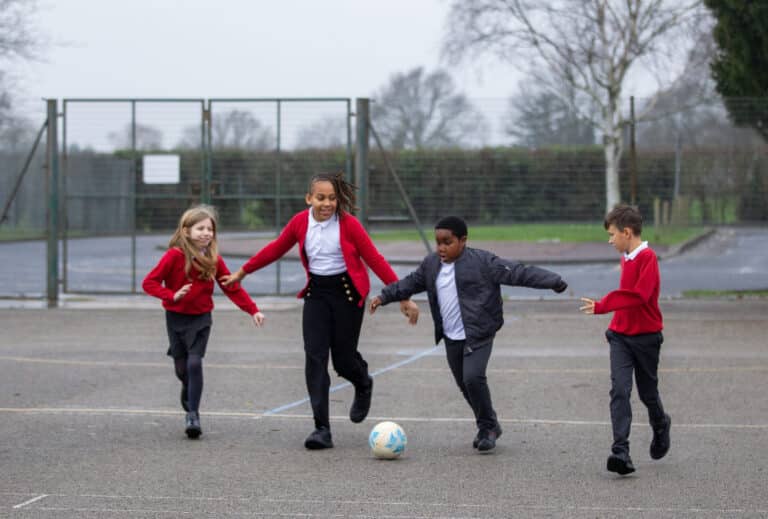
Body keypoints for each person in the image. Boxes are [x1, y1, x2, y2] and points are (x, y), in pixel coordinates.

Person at [221, 172, 418, 450]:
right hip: (317, 294)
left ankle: (363, 382)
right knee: (315, 358)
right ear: (309, 198)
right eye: (321, 198)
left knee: (343, 361)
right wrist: (242, 272)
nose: (327, 203)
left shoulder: (349, 225)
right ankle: (321, 429)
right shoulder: (300, 222)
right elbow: (275, 249)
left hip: (348, 295)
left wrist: (402, 296)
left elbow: (374, 259)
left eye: (332, 198)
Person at [369, 216, 568, 453]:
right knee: (465, 384)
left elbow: (519, 273)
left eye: (448, 242)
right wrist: (384, 296)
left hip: (479, 333)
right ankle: (490, 423)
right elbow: (410, 283)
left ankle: (487, 429)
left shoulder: (483, 262)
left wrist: (554, 281)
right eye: (438, 242)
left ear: (463, 240)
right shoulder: (431, 264)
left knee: (473, 378)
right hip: (451, 336)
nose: (441, 248)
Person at [143, 204, 265, 440]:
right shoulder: (174, 256)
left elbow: (231, 287)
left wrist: (253, 310)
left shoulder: (213, 259)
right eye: (200, 228)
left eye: (210, 229)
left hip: (201, 319)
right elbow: (149, 283)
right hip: (175, 318)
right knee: (182, 369)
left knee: (195, 363)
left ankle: (193, 415)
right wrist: (171, 295)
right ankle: (188, 389)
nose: (206, 233)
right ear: (186, 231)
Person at [580, 204, 671, 476]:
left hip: (646, 338)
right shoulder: (626, 256)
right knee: (620, 390)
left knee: (647, 393)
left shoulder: (648, 258)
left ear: (627, 232)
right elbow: (627, 297)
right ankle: (621, 451)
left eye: (612, 234)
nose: (610, 240)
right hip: (620, 336)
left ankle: (660, 423)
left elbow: (639, 296)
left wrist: (604, 304)